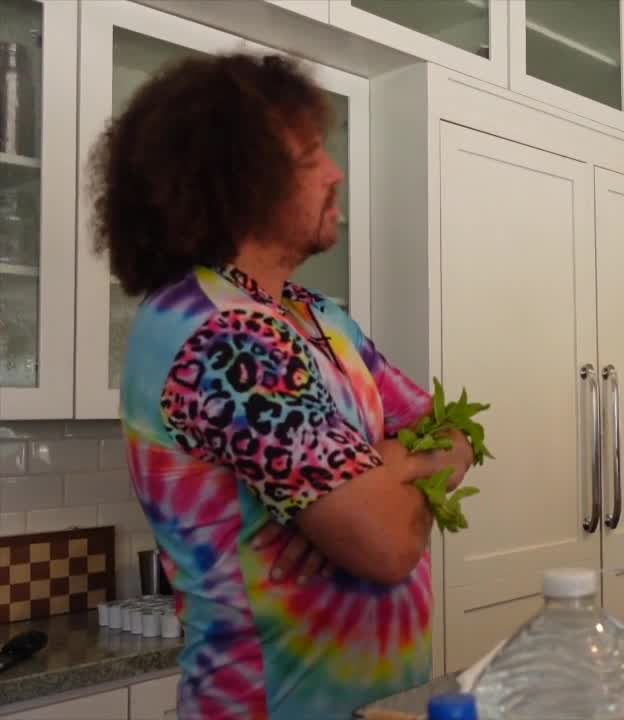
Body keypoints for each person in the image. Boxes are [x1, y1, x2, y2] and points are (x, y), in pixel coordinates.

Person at [91, 52, 473, 718]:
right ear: (238, 184)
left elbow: (457, 431)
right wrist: (380, 493)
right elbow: (387, 545)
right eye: (309, 158)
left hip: (375, 703)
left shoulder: (315, 316)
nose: (335, 173)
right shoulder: (222, 336)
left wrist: (381, 471)